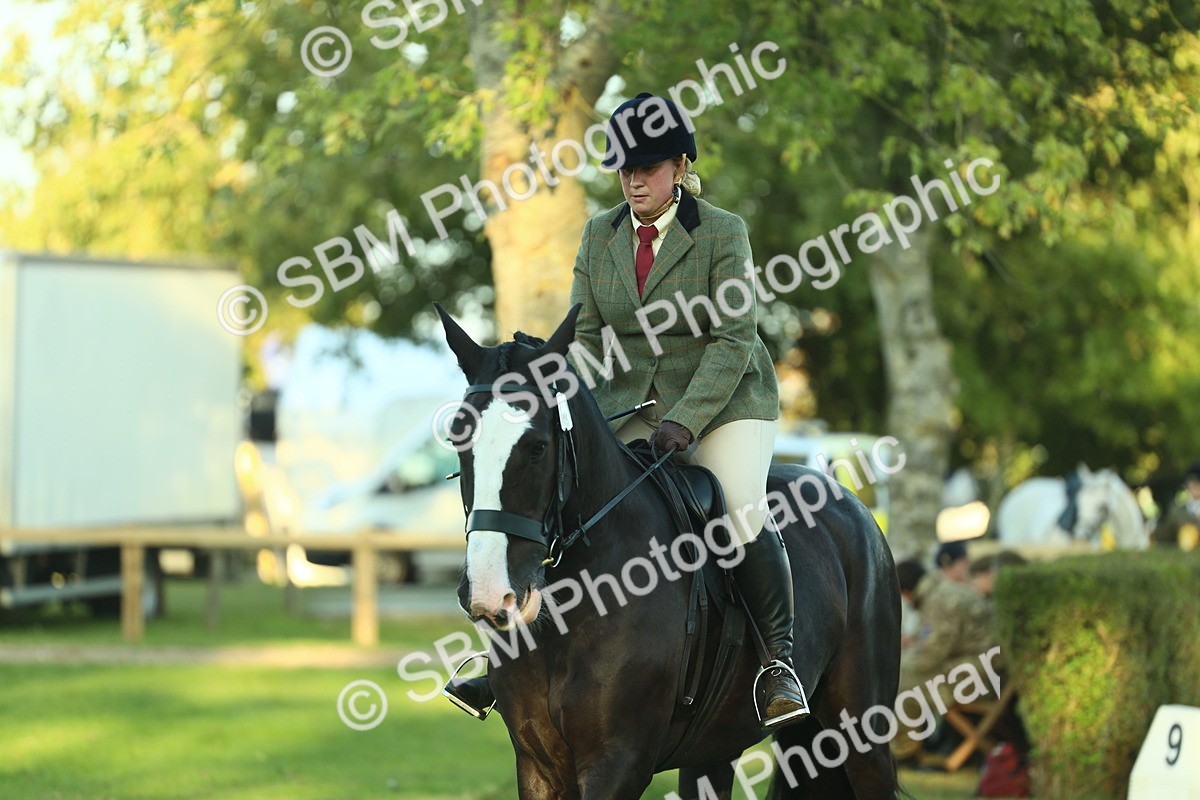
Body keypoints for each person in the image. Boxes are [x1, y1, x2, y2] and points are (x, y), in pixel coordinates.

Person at [446, 91, 808, 728]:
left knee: (743, 507)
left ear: (680, 167)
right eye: (625, 168)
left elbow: (732, 342)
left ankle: (779, 662)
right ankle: (513, 660)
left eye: (649, 167)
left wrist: (687, 420)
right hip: (629, 403)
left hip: (725, 403)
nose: (634, 179)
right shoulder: (599, 234)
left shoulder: (724, 232)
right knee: (563, 495)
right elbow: (586, 340)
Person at [892, 541, 1000, 764]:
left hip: (984, 677)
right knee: (906, 677)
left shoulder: (940, 600)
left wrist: (893, 665)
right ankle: (913, 745)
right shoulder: (940, 593)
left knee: (900, 683)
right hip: (985, 668)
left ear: (906, 591)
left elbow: (929, 657)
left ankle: (905, 753)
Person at [1152, 461, 1200, 549]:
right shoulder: (1177, 509)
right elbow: (1165, 535)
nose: (1194, 488)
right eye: (1191, 484)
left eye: (1197, 484)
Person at [896, 558, 927, 651]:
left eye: (904, 595)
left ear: (908, 592)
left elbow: (929, 653)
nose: (907, 600)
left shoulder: (934, 606)